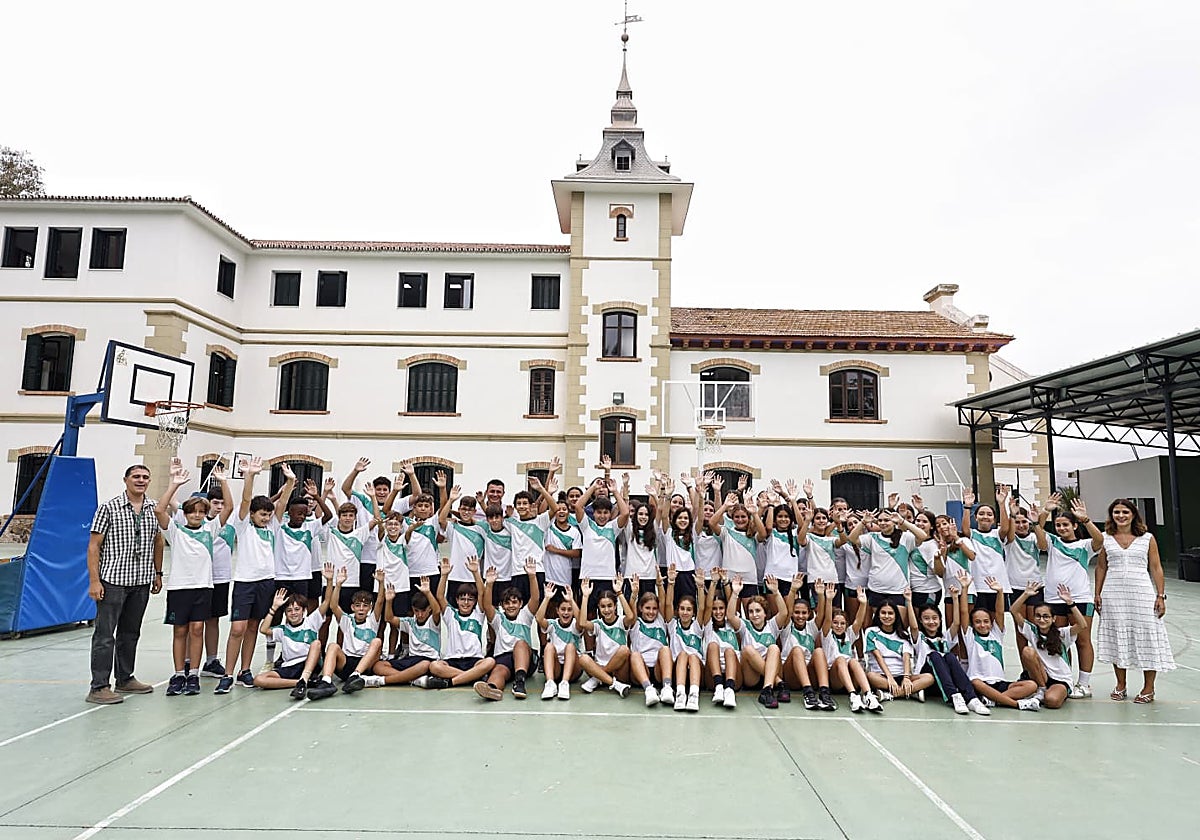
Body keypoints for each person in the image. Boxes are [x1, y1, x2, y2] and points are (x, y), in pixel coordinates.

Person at [86, 464, 164, 705]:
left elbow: (158, 542)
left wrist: (158, 573)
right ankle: (98, 686)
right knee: (105, 635)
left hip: (140, 581)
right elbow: (94, 546)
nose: (141, 481)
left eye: (145, 477)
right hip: (113, 581)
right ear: (126, 480)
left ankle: (125, 677)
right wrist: (94, 581)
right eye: (136, 477)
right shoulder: (108, 508)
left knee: (130, 633)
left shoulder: (153, 508)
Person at [154, 466, 233, 696]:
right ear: (185, 514)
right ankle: (179, 674)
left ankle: (194, 674)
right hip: (180, 588)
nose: (197, 515)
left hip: (203, 587)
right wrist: (174, 485)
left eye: (201, 511)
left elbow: (228, 507)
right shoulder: (175, 532)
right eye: (192, 512)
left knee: (197, 629)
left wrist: (224, 482)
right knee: (180, 631)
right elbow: (160, 509)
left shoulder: (211, 529)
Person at [1095, 498, 1176, 703]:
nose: (1120, 516)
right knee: (1117, 637)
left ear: (1133, 515)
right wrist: (1097, 593)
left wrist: (1160, 595)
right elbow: (1101, 567)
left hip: (1141, 593)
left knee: (1148, 637)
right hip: (1113, 594)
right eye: (1116, 512)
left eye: (1125, 512)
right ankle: (1121, 685)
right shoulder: (1105, 538)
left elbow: (1156, 567)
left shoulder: (1147, 538)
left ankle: (1149, 688)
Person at [219, 457, 288, 693]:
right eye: (262, 514)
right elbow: (246, 499)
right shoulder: (243, 525)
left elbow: (284, 501)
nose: (266, 517)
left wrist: (290, 482)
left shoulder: (273, 527)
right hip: (244, 583)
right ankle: (227, 673)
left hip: (266, 582)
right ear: (252, 514)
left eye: (268, 514)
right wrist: (250, 475)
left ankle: (244, 670)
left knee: (252, 627)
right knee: (237, 628)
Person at [1036, 493, 1103, 698]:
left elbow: (1099, 540)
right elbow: (1038, 529)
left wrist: (1086, 519)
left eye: (1066, 524)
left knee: (1083, 640)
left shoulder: (1084, 546)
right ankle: (1065, 679)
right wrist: (1045, 511)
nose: (1062, 528)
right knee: (1060, 641)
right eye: (1058, 525)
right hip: (1054, 599)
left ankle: (1084, 684)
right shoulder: (1053, 542)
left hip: (1080, 599)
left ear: (1074, 526)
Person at [908, 573, 988, 716]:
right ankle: (954, 697)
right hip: (929, 681)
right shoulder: (919, 638)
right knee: (934, 655)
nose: (931, 622)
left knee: (950, 656)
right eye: (926, 619)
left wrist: (955, 598)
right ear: (921, 621)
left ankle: (972, 699)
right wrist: (909, 601)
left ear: (939, 620)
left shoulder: (945, 637)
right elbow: (913, 627)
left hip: (946, 680)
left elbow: (956, 623)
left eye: (934, 618)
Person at [255, 567, 335, 699]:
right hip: (289, 667)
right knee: (259, 680)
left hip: (308, 664)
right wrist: (274, 608)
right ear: (285, 613)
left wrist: (330, 581)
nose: (293, 613)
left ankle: (304, 678)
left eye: (297, 609)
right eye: (290, 610)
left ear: (304, 610)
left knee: (316, 643)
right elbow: (263, 629)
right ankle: (303, 683)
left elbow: (326, 602)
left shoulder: (311, 621)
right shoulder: (283, 629)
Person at [962, 576, 1041, 711]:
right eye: (978, 622)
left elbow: (999, 612)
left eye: (986, 621)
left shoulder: (996, 634)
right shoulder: (970, 636)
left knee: (1032, 685)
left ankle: (993, 699)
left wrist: (999, 592)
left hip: (999, 682)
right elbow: (964, 612)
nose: (982, 625)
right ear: (972, 624)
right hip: (980, 683)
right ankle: (1017, 704)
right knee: (975, 682)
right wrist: (964, 588)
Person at [1010, 581, 1085, 710]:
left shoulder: (1062, 633)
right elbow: (1014, 611)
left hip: (1059, 679)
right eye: (1038, 616)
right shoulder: (1032, 631)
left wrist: (1070, 604)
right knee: (1027, 651)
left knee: (1052, 701)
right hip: (1040, 676)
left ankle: (1046, 693)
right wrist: (1026, 594)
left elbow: (1082, 625)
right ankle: (1041, 689)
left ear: (1053, 618)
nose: (1042, 619)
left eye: (1046, 616)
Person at [475, 558, 541, 701]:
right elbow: (487, 606)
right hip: (504, 658)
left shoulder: (525, 615)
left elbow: (535, 599)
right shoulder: (498, 619)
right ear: (502, 606)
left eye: (514, 602)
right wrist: (490, 584)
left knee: (520, 644)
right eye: (507, 603)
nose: (511, 606)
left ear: (520, 604)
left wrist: (532, 576)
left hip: (525, 659)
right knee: (498, 671)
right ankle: (492, 689)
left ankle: (520, 682)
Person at [426, 557, 496, 689]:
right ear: (457, 600)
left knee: (490, 662)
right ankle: (471, 677)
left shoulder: (478, 614)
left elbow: (482, 593)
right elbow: (440, 596)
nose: (466, 602)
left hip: (474, 660)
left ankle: (452, 681)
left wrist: (476, 572)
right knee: (434, 666)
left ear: (474, 602)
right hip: (453, 661)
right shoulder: (450, 615)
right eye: (462, 599)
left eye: (470, 599)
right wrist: (444, 575)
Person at [317, 569, 386, 695]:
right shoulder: (346, 620)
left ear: (370, 608)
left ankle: (356, 675)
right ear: (352, 607)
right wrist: (338, 585)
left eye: (365, 606)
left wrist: (381, 583)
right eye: (358, 605)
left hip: (365, 665)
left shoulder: (372, 620)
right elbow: (333, 606)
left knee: (377, 641)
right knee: (333, 646)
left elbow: (380, 601)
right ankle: (326, 681)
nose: (361, 609)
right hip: (346, 663)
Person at [374, 577, 441, 687]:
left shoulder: (433, 622)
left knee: (425, 665)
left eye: (423, 611)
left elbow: (437, 610)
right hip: (411, 659)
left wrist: (428, 593)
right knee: (378, 666)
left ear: (429, 609)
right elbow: (389, 618)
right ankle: (413, 680)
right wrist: (389, 601)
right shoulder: (410, 622)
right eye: (416, 611)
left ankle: (385, 680)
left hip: (428, 659)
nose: (420, 615)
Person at [575, 577, 633, 697]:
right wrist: (585, 597)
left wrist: (619, 593)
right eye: (603, 606)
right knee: (583, 658)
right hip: (599, 665)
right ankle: (615, 684)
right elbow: (582, 623)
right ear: (599, 608)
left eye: (610, 606)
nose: (606, 610)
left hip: (619, 671)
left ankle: (598, 678)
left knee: (624, 650)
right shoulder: (598, 624)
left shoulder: (621, 622)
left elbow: (631, 617)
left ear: (615, 606)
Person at [535, 583, 584, 700]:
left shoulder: (575, 625)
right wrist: (547, 598)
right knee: (548, 647)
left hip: (573, 669)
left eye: (569, 610)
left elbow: (581, 621)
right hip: (556, 667)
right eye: (563, 609)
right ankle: (550, 683)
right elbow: (539, 618)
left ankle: (564, 684)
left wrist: (572, 600)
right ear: (557, 611)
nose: (566, 613)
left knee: (571, 646)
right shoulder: (553, 624)